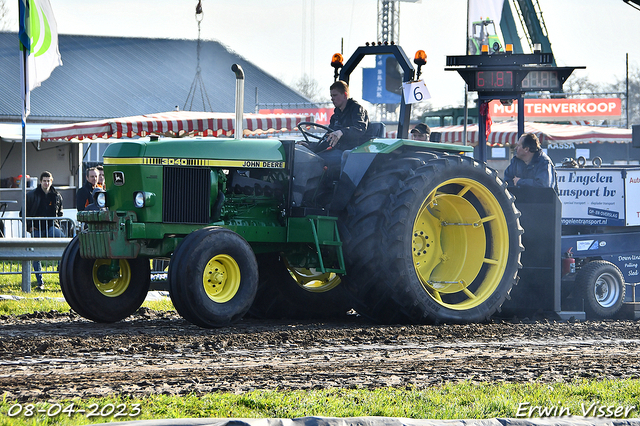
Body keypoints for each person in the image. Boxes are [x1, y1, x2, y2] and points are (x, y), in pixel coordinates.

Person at [319, 80, 370, 178]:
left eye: (335, 95)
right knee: (314, 157)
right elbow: (328, 139)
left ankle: (343, 188)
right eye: (331, 96)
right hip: (339, 150)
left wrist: (341, 132)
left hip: (355, 149)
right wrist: (310, 146)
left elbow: (360, 128)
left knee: (343, 155)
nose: (332, 99)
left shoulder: (357, 109)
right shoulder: (335, 116)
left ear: (345, 95)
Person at [26, 171, 64, 290]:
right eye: (44, 181)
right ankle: (40, 282)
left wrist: (57, 224)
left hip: (52, 227)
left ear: (51, 181)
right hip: (37, 228)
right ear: (40, 182)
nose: (46, 183)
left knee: (64, 245)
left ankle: (62, 279)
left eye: (48, 180)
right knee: (36, 254)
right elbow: (24, 213)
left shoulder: (57, 195)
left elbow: (60, 213)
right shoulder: (32, 195)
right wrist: (29, 227)